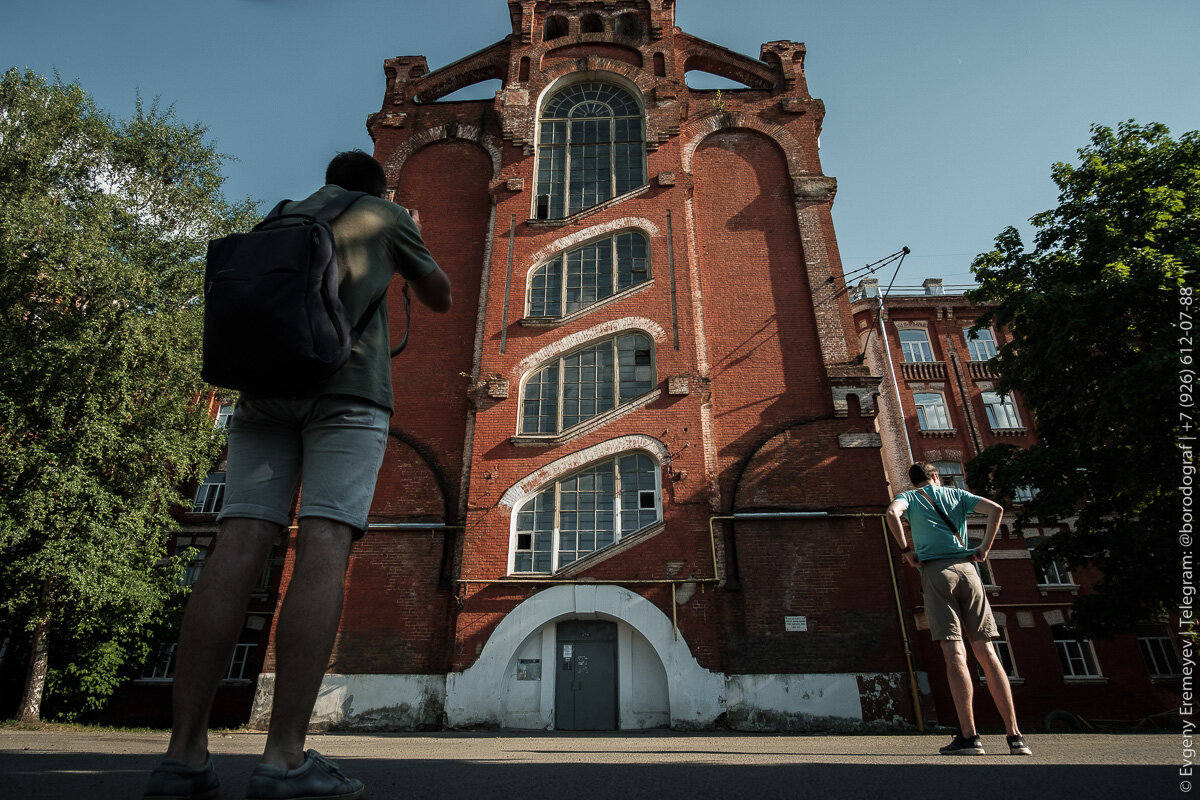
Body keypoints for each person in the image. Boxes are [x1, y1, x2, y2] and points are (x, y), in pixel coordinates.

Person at [145, 150, 452, 800]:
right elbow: (441, 296)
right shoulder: (386, 215)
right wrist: (407, 234)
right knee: (323, 543)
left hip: (261, 390)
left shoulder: (282, 215)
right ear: (376, 186)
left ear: (329, 182)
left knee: (238, 543)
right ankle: (283, 757)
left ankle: (183, 754)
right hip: (346, 394)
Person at [885, 461, 1032, 757]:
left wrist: (906, 551)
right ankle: (1015, 736)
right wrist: (984, 549)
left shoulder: (910, 498)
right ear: (936, 476)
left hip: (937, 573)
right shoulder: (956, 495)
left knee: (954, 654)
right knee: (988, 652)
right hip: (969, 571)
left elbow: (891, 513)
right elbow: (996, 511)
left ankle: (969, 736)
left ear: (914, 482)